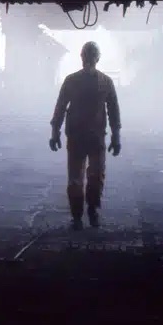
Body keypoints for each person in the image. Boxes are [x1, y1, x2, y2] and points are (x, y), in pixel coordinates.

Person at [49, 41, 122, 230]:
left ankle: (78, 217)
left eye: (88, 55)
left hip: (77, 136)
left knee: (76, 177)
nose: (88, 59)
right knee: (95, 175)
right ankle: (92, 211)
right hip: (95, 137)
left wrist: (55, 132)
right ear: (98, 58)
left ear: (82, 57)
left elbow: (60, 108)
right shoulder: (105, 82)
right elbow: (113, 111)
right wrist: (116, 136)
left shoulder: (71, 80)